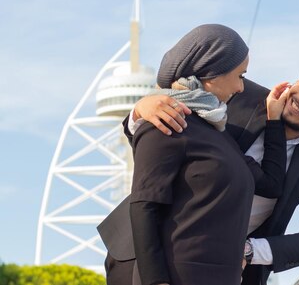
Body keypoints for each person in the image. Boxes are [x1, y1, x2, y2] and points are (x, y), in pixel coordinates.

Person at [100, 55, 299, 285]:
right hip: (143, 248)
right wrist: (141, 109)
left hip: (220, 271)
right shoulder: (239, 94)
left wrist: (248, 251)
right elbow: (164, 121)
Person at [110, 24, 289, 285]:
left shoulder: (220, 134)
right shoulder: (168, 121)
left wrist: (274, 120)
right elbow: (144, 206)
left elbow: (271, 183)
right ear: (212, 73)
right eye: (240, 75)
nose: (241, 88)